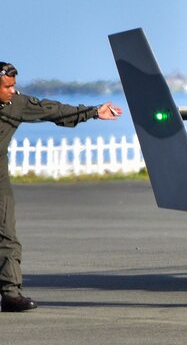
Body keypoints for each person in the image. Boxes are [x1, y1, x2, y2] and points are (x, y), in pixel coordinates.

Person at [0, 62, 123, 312]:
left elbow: (52, 110)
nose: (13, 91)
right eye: (7, 87)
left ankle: (11, 293)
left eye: (14, 86)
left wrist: (93, 112)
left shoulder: (17, 103)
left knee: (6, 233)